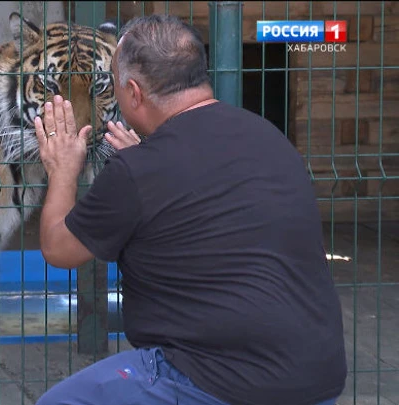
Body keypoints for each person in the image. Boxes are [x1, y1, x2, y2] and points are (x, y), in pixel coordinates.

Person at [31, 14, 347, 405]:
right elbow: (195, 191)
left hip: (213, 381)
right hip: (317, 379)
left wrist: (63, 170)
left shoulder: (139, 171)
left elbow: (59, 248)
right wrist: (144, 167)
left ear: (133, 92)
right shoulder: (269, 137)